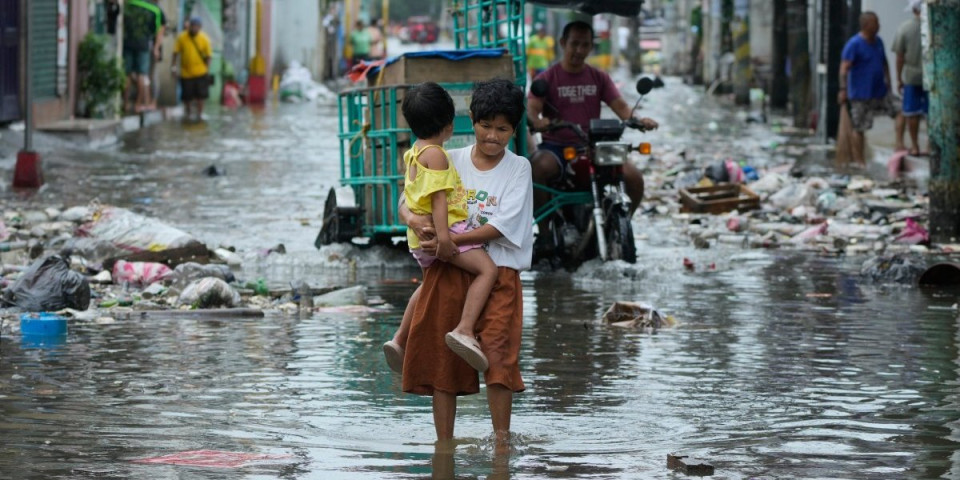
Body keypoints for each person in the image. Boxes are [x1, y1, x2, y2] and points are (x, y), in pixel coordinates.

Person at [385, 78, 533, 447]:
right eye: (486, 126)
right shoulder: (448, 157)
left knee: (499, 358)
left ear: (514, 130)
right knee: (443, 363)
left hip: (499, 273)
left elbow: (501, 227)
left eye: (503, 129)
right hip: (449, 272)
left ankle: (501, 442)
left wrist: (450, 240)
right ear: (471, 121)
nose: (492, 137)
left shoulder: (519, 169)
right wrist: (415, 222)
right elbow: (406, 199)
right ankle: (444, 446)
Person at [390, 82, 499, 372]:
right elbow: (438, 200)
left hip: (416, 239)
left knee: (427, 286)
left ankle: (400, 338)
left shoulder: (413, 151)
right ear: (448, 124)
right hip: (442, 233)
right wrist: (446, 241)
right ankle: (464, 328)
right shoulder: (437, 155)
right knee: (487, 270)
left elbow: (412, 195)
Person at [526, 21, 657, 243]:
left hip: (592, 146)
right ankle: (546, 233)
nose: (579, 50)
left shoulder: (599, 77)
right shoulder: (546, 78)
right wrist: (537, 121)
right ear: (562, 43)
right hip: (557, 147)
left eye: (585, 45)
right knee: (537, 168)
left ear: (590, 47)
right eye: (574, 44)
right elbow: (532, 108)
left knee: (634, 177)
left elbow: (622, 108)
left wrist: (638, 120)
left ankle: (619, 228)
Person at [838, 11, 900, 166]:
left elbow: (884, 63)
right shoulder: (854, 44)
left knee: (900, 110)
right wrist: (843, 89)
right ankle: (860, 162)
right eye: (875, 23)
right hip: (860, 95)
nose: (879, 26)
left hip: (880, 92)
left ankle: (899, 144)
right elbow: (844, 69)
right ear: (866, 25)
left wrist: (889, 84)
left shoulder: (878, 41)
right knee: (859, 127)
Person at [892, 0, 927, 156]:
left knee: (912, 113)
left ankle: (914, 146)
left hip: (911, 77)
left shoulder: (904, 29)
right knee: (931, 113)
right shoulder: (935, 28)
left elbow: (900, 57)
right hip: (932, 78)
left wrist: (899, 78)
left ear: (914, 9)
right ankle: (932, 146)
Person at [122, 0, 166, 113]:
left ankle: (125, 103)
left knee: (126, 73)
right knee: (142, 74)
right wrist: (156, 48)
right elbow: (160, 31)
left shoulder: (129, 3)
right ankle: (138, 104)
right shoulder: (155, 10)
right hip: (143, 45)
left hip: (127, 43)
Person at [171, 17, 213, 122]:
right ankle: (188, 113)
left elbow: (208, 56)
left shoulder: (204, 39)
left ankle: (200, 114)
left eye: (196, 26)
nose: (194, 28)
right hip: (186, 73)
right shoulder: (182, 38)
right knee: (187, 96)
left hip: (200, 72)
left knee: (200, 96)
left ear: (200, 28)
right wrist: (173, 67)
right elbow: (175, 53)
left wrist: (207, 69)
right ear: (189, 26)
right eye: (193, 26)